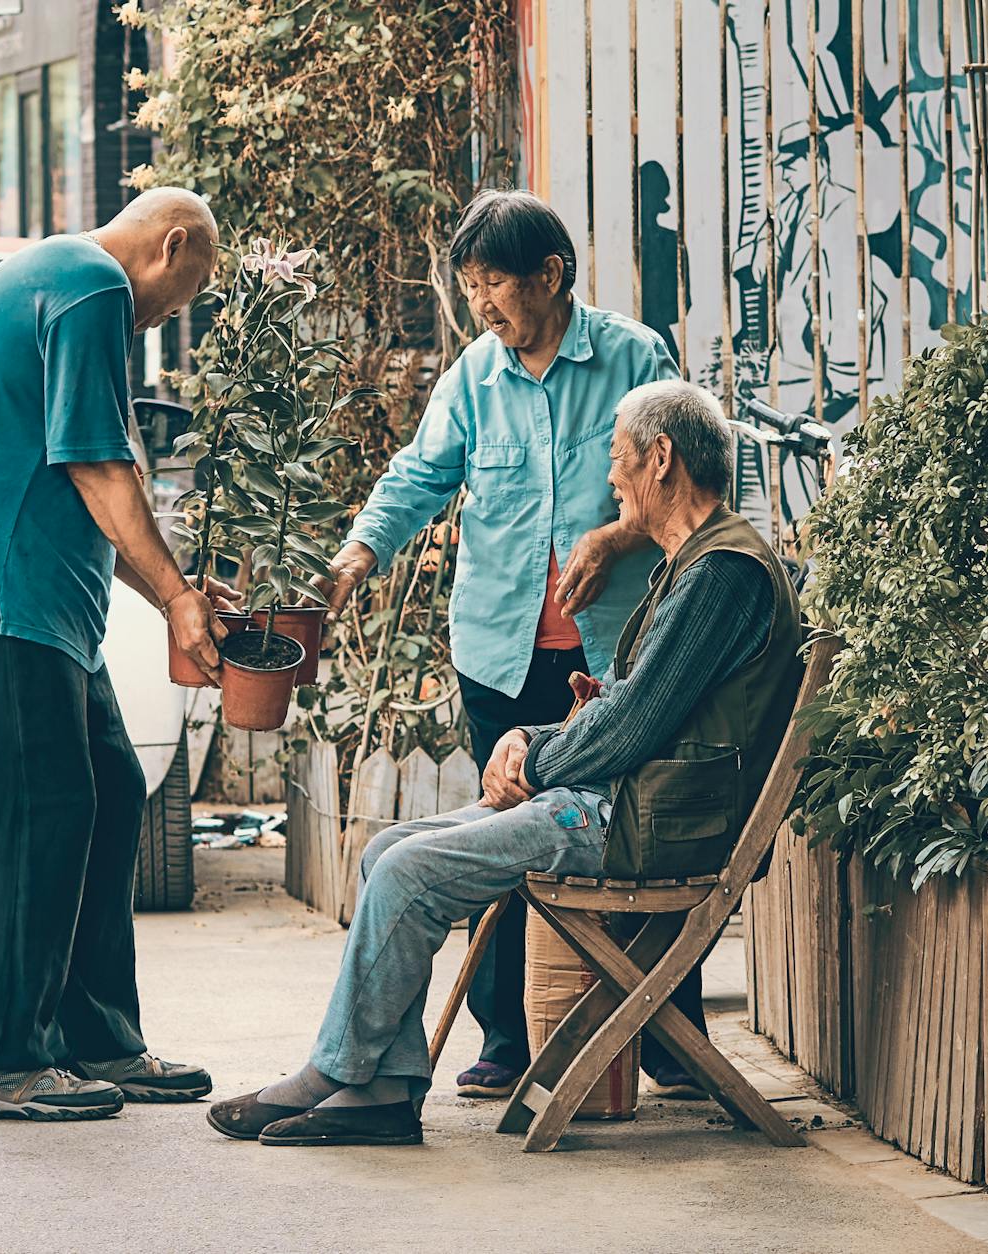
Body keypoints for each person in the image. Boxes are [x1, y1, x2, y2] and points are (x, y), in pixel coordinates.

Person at [211, 380, 803, 1147]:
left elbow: (633, 727)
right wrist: (537, 734)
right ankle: (383, 1089)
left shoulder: (721, 571)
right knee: (390, 849)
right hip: (627, 797)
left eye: (619, 459)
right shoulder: (700, 562)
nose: (611, 479)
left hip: (640, 819)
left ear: (661, 459)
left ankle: (338, 1074)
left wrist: (536, 755)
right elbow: (640, 707)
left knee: (406, 872)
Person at [318, 189, 701, 1099]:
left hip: (612, 662)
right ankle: (506, 1041)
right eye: (472, 285)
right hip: (500, 653)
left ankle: (671, 1040)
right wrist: (362, 549)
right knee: (500, 832)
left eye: (495, 282)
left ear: (551, 276)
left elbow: (683, 483)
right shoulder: (473, 379)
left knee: (639, 831)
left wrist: (616, 538)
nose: (482, 303)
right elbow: (420, 475)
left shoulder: (635, 359)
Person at [0, 188, 233, 1122]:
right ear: (171, 246)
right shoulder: (90, 288)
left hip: (38, 601)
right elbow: (98, 466)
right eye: (181, 294)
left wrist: (182, 588)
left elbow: (91, 494)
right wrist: (173, 597)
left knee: (109, 789)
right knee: (31, 811)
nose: (166, 317)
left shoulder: (58, 277)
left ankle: (92, 1039)